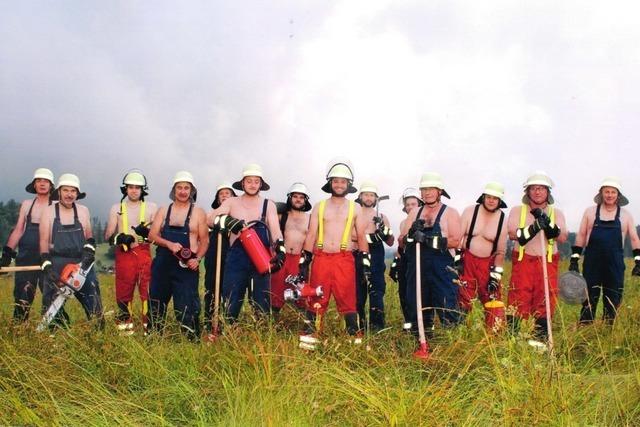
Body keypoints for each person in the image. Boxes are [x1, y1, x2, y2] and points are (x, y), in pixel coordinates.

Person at [297, 158, 369, 349]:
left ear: (349, 185)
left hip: (344, 259)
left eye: (343, 181)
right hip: (321, 258)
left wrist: (364, 260)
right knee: (316, 296)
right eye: (335, 181)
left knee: (347, 297)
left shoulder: (356, 207)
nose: (339, 184)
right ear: (330, 183)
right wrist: (305, 259)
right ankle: (310, 339)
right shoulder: (319, 206)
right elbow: (312, 233)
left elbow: (361, 235)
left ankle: (353, 340)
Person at [214, 164, 284, 325]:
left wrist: (280, 250)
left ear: (261, 184)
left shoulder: (268, 204)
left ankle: (262, 333)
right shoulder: (232, 202)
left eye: (256, 181)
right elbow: (211, 218)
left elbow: (275, 230)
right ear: (243, 183)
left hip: (260, 258)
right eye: (249, 181)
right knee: (231, 297)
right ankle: (227, 331)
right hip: (236, 259)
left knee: (261, 300)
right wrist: (229, 221)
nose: (252, 184)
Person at [400, 172, 462, 343]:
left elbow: (456, 241)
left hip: (441, 267)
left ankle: (454, 342)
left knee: (445, 303)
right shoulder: (414, 213)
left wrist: (428, 240)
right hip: (418, 266)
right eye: (424, 189)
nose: (427, 193)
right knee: (417, 303)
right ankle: (422, 339)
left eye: (431, 189)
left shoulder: (450, 213)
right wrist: (411, 234)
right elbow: (402, 240)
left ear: (439, 191)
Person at [506, 171, 567, 345]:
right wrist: (534, 227)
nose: (537, 192)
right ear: (528, 192)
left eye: (541, 189)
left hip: (547, 262)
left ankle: (540, 342)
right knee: (518, 298)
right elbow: (512, 233)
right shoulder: (519, 210)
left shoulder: (557, 213)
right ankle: (514, 340)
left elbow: (562, 237)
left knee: (545, 299)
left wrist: (548, 225)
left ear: (548, 192)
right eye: (533, 188)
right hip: (524, 261)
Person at [148, 171, 209, 340]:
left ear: (192, 191)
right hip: (163, 263)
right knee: (156, 302)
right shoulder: (163, 210)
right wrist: (169, 244)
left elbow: (205, 241)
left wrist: (197, 259)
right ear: (174, 190)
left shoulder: (198, 213)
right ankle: (154, 338)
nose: (183, 191)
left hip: (187, 266)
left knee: (187, 305)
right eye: (179, 187)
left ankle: (192, 340)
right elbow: (152, 236)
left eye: (186, 188)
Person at [571, 177, 640, 324]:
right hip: (592, 261)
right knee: (589, 296)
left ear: (618, 195)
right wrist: (574, 259)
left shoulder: (626, 215)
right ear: (601, 193)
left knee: (613, 296)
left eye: (613, 192)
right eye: (606, 192)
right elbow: (581, 235)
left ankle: (609, 329)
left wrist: (638, 261)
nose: (609, 195)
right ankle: (585, 329)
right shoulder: (590, 212)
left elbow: (634, 238)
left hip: (615, 261)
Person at [39, 173, 103, 329]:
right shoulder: (48, 211)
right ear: (59, 192)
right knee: (51, 308)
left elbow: (89, 236)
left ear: (77, 193)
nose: (69, 194)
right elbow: (43, 241)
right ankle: (54, 339)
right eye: (66, 190)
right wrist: (46, 264)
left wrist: (90, 250)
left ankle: (100, 338)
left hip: (82, 263)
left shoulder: (83, 211)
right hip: (57, 262)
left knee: (94, 305)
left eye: (73, 191)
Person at [104, 170, 157, 334]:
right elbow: (108, 234)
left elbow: (157, 237)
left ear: (143, 190)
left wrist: (147, 235)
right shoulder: (116, 208)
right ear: (125, 189)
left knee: (147, 292)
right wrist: (119, 237)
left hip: (143, 254)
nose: (134, 190)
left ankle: (149, 330)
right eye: (130, 187)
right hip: (124, 254)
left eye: (137, 187)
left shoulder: (151, 208)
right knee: (123, 292)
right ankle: (125, 331)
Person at [1, 168, 54, 322]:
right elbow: (18, 230)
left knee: (51, 294)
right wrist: (7, 252)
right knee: (22, 294)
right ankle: (19, 328)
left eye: (46, 181)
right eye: (39, 181)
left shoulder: (57, 206)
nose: (42, 184)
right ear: (34, 185)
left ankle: (53, 330)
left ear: (51, 185)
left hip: (48, 257)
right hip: (26, 255)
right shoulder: (27, 204)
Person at [457, 182, 508, 321]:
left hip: (488, 264)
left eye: (495, 198)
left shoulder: (503, 219)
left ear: (500, 201)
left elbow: (500, 252)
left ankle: (493, 336)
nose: (491, 201)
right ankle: (460, 330)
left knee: (493, 298)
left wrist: (495, 277)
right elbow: (457, 239)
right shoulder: (469, 211)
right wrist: (457, 261)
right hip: (467, 260)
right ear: (483, 197)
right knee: (463, 297)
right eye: (489, 197)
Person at [355, 181, 394, 332]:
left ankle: (377, 327)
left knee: (376, 292)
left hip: (377, 256)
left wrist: (383, 229)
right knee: (358, 292)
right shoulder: (354, 214)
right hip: (357, 255)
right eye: (366, 194)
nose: (369, 198)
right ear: (360, 196)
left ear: (376, 198)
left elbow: (391, 242)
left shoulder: (382, 217)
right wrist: (372, 237)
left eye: (372, 195)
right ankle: (359, 327)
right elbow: (353, 236)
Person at [270, 182, 311, 314]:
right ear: (290, 198)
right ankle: (272, 322)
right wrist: (273, 206)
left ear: (305, 200)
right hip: (282, 258)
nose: (298, 199)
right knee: (275, 292)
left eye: (301, 197)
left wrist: (306, 262)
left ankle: (302, 322)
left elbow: (312, 240)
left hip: (299, 260)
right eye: (295, 196)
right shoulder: (282, 216)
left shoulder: (309, 218)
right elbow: (267, 221)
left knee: (300, 292)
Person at [203, 181, 236, 336]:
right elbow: (208, 222)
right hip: (214, 256)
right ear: (217, 199)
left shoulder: (237, 215)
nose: (224, 196)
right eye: (221, 194)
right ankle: (210, 322)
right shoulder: (212, 214)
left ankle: (227, 323)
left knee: (229, 290)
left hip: (232, 256)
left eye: (227, 193)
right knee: (212, 289)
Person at [390, 187, 423, 331]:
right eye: (407, 204)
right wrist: (395, 263)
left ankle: (422, 324)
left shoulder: (425, 219)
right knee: (404, 291)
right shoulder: (403, 223)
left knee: (418, 292)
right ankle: (408, 322)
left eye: (413, 204)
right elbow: (400, 246)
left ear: (419, 204)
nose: (410, 207)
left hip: (419, 260)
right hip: (405, 259)